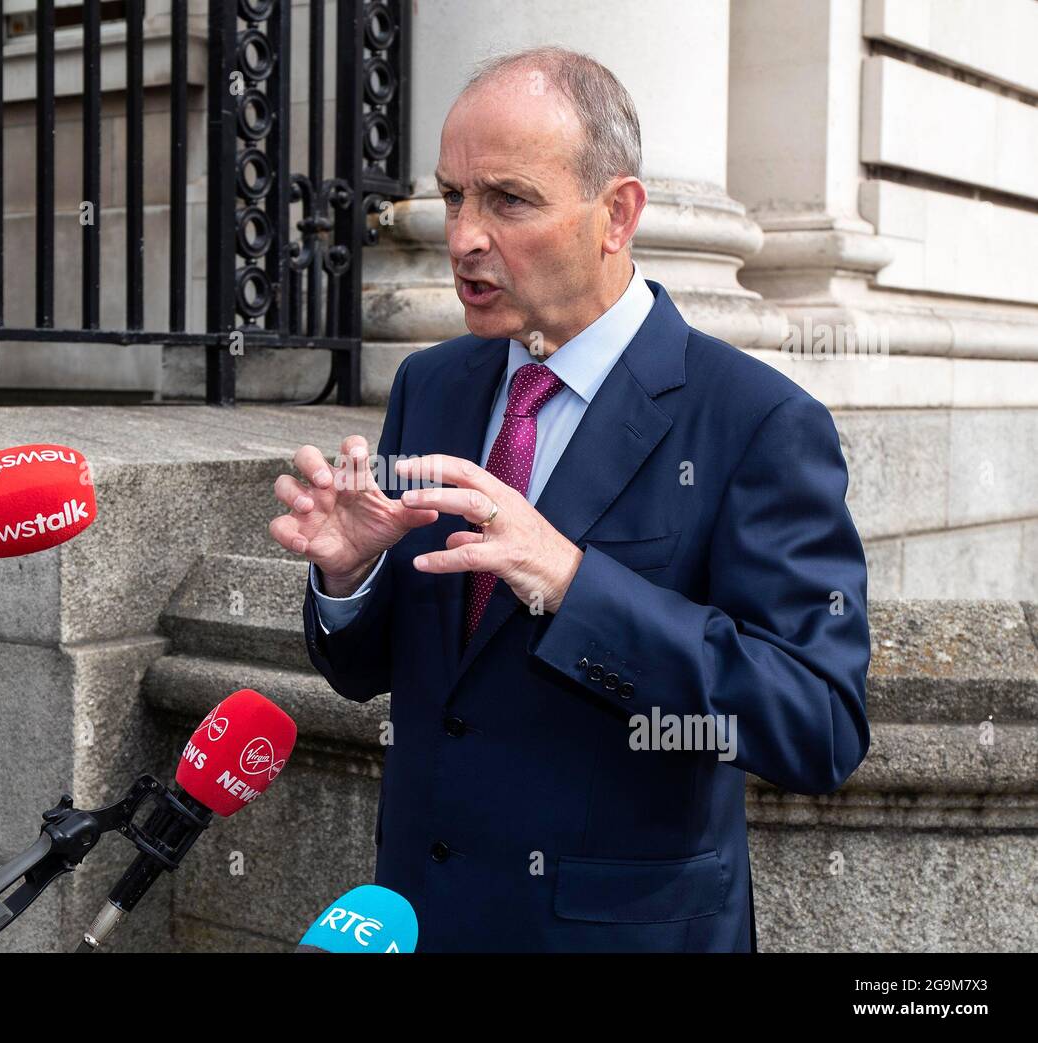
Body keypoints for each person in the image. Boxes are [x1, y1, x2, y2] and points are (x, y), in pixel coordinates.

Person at [268, 46, 870, 952]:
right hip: (421, 920)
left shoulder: (755, 420)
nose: (464, 235)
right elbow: (381, 673)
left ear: (616, 214)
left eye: (507, 199)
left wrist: (573, 583)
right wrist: (349, 578)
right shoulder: (432, 386)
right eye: (452, 195)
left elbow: (818, 725)